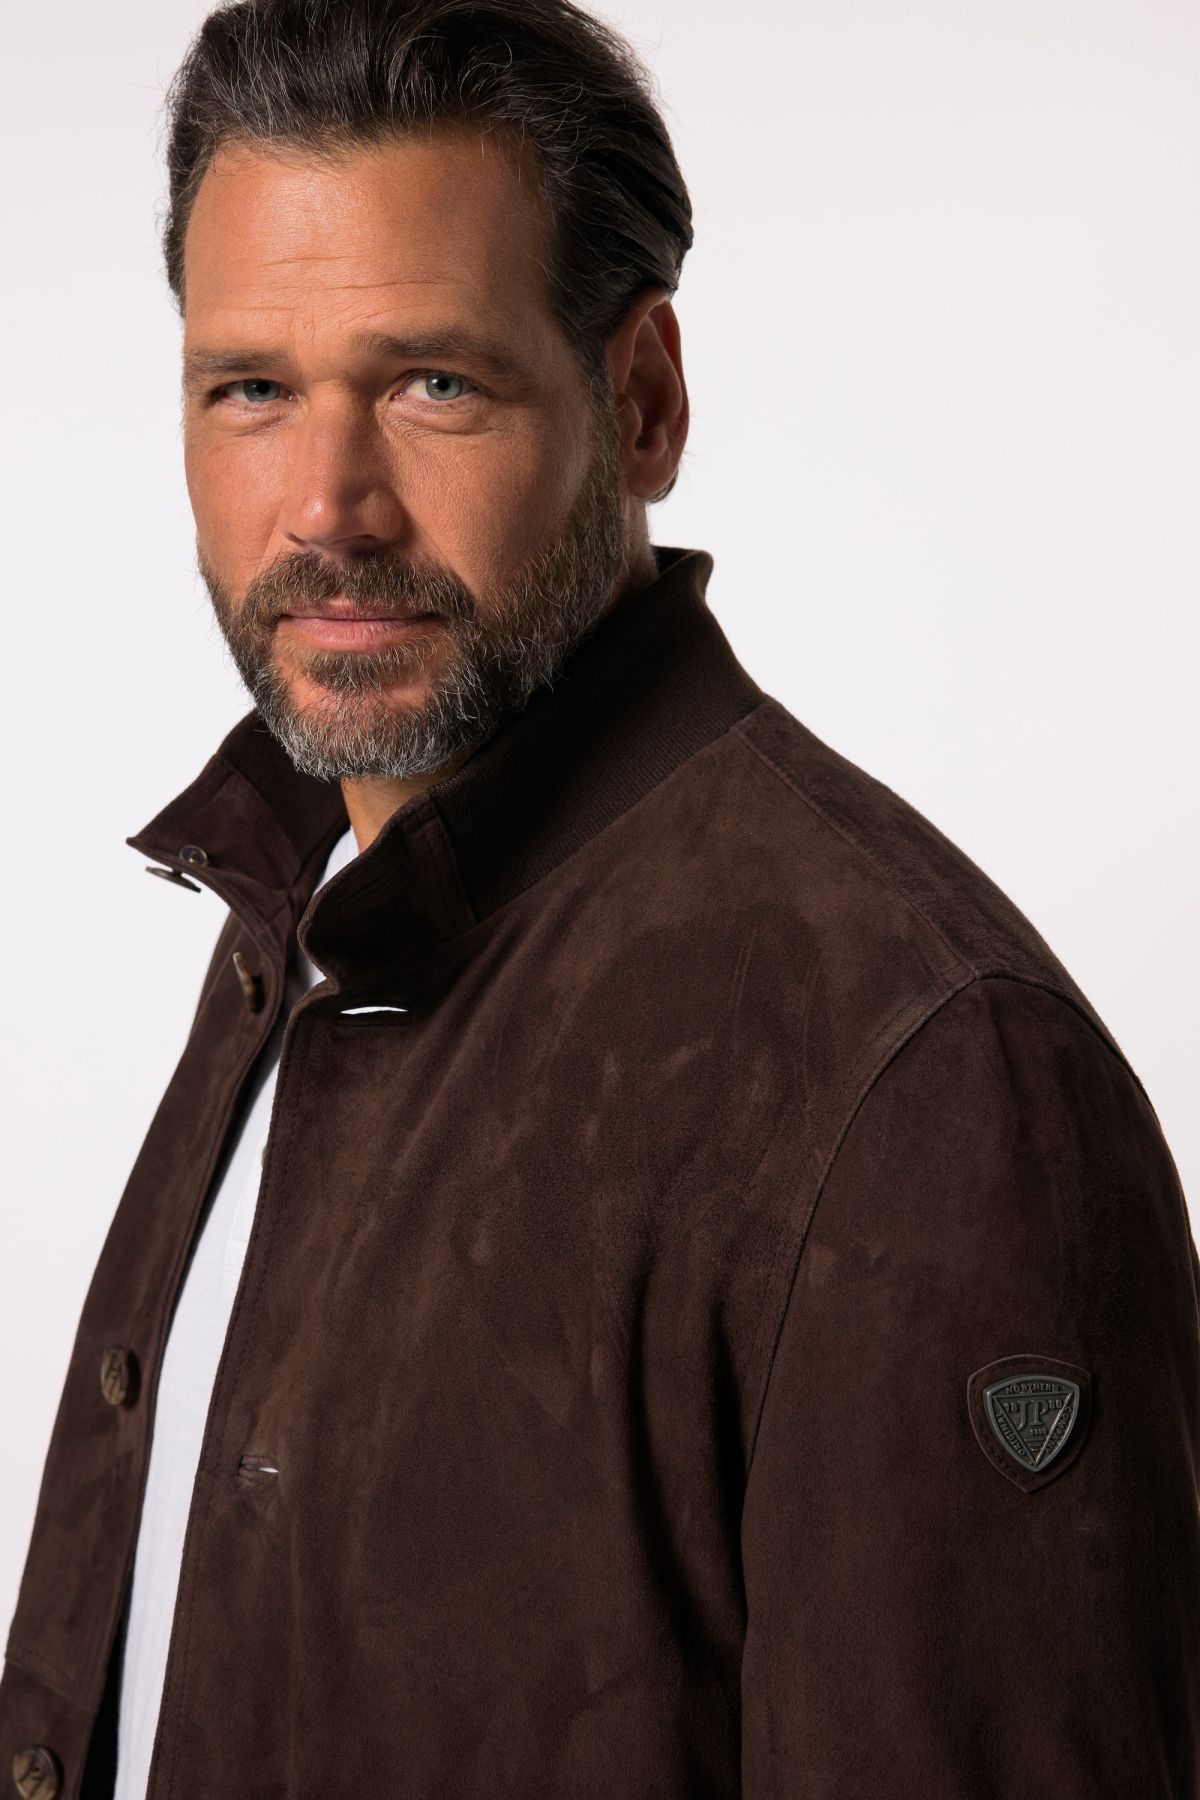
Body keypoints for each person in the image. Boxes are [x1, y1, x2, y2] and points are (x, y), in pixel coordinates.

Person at [2, 0, 1197, 1794]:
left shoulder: (926, 1077)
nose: (326, 505)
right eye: (251, 388)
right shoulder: (304, 910)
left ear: (639, 404)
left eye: (433, 383)